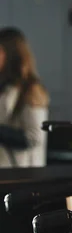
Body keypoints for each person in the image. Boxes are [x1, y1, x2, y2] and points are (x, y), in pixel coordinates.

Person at [0, 28, 49, 167]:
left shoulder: (31, 89)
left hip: (23, 174)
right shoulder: (5, 88)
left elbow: (34, 138)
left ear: (11, 55)